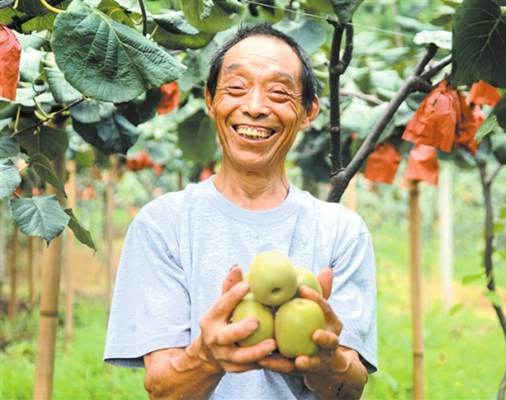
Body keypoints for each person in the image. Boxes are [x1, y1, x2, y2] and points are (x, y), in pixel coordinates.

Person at [104, 23, 377, 399]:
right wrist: (207, 357)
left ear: (309, 110)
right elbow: (162, 390)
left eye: (279, 93)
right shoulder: (162, 224)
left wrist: (329, 362)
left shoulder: (342, 231)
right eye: (235, 88)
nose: (254, 107)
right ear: (210, 100)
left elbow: (350, 390)